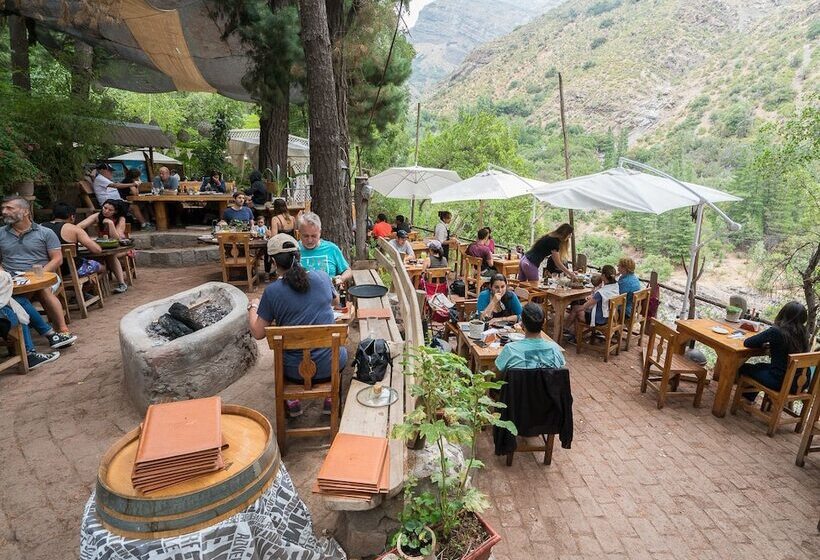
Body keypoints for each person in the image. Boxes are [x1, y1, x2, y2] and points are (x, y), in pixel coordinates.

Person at [248, 233, 346, 417]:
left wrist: (253, 306)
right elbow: (335, 302)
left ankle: (292, 401)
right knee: (340, 351)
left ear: (275, 263)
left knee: (286, 355)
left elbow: (258, 332)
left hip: (294, 371)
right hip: (329, 366)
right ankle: (330, 398)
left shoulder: (272, 292)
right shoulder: (323, 278)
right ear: (299, 255)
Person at [0, 197, 75, 344]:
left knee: (42, 289)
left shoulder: (45, 232)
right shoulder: (0, 233)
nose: (4, 212)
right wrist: (3, 275)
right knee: (11, 296)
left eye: (9, 208)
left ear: (26, 211)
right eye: (3, 209)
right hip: (12, 280)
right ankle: (30, 341)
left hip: (44, 276)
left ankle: (62, 330)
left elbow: (57, 259)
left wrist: (38, 276)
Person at [739, 301, 810, 402]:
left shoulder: (776, 331)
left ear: (783, 313)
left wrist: (764, 343)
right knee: (760, 366)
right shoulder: (804, 334)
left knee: (744, 367)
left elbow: (748, 342)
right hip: (801, 383)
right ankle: (748, 398)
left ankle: (742, 399)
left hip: (781, 382)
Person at [0, 254, 63, 368]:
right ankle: (29, 354)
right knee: (16, 311)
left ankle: (50, 335)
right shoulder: (3, 276)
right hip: (3, 318)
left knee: (19, 301)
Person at [76, 200, 131, 294]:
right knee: (93, 256)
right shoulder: (98, 216)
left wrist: (110, 224)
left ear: (115, 212)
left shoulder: (121, 219)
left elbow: (117, 238)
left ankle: (122, 284)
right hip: (102, 248)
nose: (106, 211)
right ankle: (91, 288)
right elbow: (78, 227)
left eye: (110, 210)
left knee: (110, 256)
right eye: (105, 208)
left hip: (120, 249)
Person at [495, 303, 565, 373]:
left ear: (522, 324)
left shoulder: (510, 350)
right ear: (544, 322)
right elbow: (559, 375)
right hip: (548, 384)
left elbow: (495, 376)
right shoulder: (555, 349)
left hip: (519, 383)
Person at [41, 202, 104, 277]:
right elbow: (97, 250)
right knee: (102, 267)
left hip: (48, 269)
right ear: (72, 216)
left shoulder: (40, 227)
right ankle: (85, 286)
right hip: (71, 270)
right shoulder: (74, 229)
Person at [564, 265, 620, 340]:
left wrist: (588, 301)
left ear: (603, 276)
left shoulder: (601, 293)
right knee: (578, 308)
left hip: (599, 320)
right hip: (609, 316)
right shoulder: (615, 286)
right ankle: (573, 334)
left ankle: (567, 331)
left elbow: (585, 306)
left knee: (576, 309)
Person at [297, 212, 353, 285]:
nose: (310, 240)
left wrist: (341, 278)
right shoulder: (294, 250)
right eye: (306, 236)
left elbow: (347, 271)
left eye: (314, 236)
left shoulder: (332, 249)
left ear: (320, 232)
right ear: (299, 233)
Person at [92, 163, 153, 230]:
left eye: (111, 171)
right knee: (134, 207)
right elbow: (116, 186)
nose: (111, 172)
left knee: (142, 204)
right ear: (102, 170)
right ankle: (144, 225)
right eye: (109, 171)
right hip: (109, 203)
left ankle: (147, 222)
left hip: (115, 201)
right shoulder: (100, 178)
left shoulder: (104, 179)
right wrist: (133, 184)